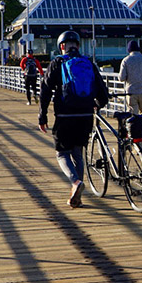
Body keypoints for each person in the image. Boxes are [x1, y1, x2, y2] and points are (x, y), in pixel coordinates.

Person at [38, 30, 108, 209]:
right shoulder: (88, 63)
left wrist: (42, 115)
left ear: (62, 46)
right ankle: (77, 196)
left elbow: (45, 90)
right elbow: (102, 94)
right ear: (77, 45)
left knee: (62, 153)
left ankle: (75, 182)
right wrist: (96, 105)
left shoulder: (58, 62)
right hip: (85, 116)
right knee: (78, 153)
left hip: (64, 115)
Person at [118, 40, 142, 118]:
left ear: (129, 50)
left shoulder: (126, 60)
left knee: (132, 115)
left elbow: (121, 78)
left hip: (131, 91)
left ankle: (133, 129)